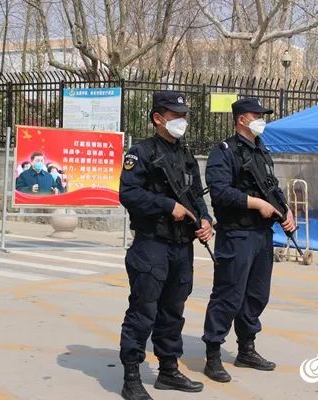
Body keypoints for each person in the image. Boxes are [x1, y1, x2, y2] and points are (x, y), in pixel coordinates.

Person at [118, 91, 213, 400]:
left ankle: (168, 370)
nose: (182, 121)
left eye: (184, 116)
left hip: (182, 245)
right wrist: (166, 205)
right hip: (152, 244)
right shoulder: (141, 153)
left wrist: (205, 219)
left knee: (174, 309)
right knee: (143, 311)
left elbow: (196, 194)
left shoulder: (185, 155)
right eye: (176, 116)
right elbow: (128, 194)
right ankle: (131, 376)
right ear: (158, 118)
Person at [202, 98, 296, 383]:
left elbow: (272, 186)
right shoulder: (224, 152)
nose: (262, 120)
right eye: (257, 116)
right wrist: (255, 203)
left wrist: (285, 209)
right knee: (228, 294)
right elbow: (220, 192)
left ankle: (246, 349)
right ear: (242, 119)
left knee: (256, 294)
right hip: (236, 234)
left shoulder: (261, 150)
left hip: (262, 234)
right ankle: (213, 354)